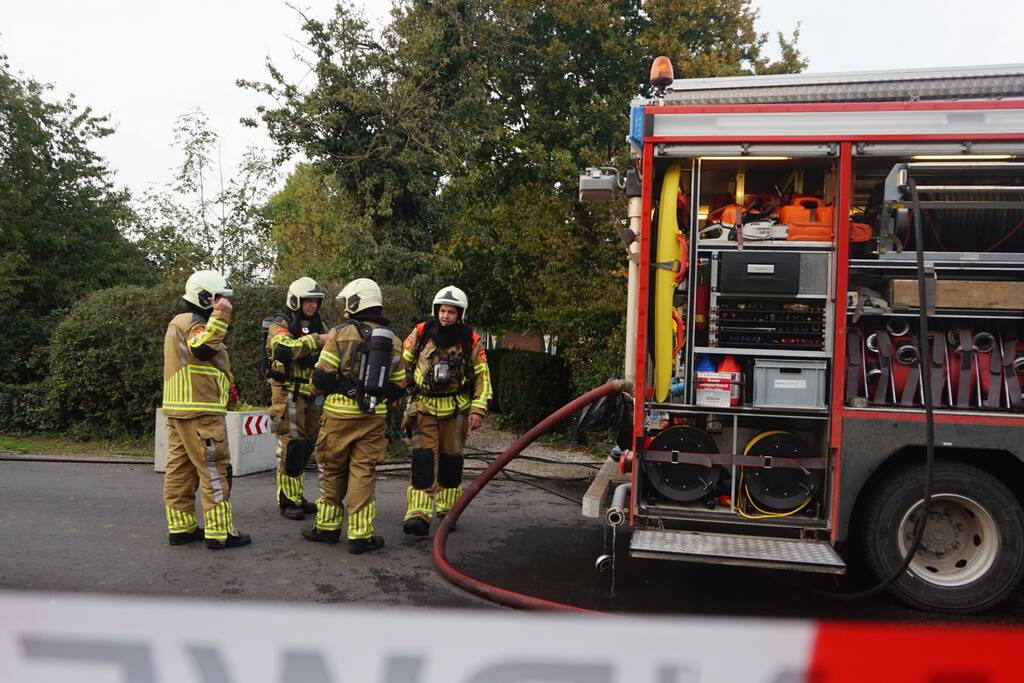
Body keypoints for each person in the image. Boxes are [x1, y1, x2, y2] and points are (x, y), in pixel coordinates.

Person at [303, 278, 406, 554]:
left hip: (338, 414)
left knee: (333, 468)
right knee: (363, 472)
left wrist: (311, 393)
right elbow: (398, 386)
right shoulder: (393, 340)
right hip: (373, 416)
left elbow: (323, 375)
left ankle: (326, 528)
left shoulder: (339, 333)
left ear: (356, 301)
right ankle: (360, 535)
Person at [162, 270, 251, 550]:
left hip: (178, 410)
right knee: (215, 469)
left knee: (180, 470)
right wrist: (221, 316)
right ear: (204, 297)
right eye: (219, 298)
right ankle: (220, 532)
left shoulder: (178, 321)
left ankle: (182, 527)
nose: (223, 302)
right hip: (200, 411)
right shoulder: (196, 323)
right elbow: (202, 349)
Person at [401, 286, 492, 537]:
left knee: (451, 461)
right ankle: (418, 514)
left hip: (456, 410)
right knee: (423, 460)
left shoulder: (470, 339)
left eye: (451, 312)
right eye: (442, 311)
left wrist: (478, 408)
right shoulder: (421, 332)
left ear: (459, 314)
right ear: (435, 311)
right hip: (423, 408)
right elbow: (402, 361)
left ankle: (447, 512)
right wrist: (396, 391)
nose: (445, 316)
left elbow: (483, 376)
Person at [266, 276, 328, 520]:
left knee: (306, 445)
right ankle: (288, 500)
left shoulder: (319, 325)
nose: (313, 305)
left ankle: (297, 495)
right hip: (288, 391)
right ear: (296, 301)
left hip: (311, 393)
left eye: (316, 301)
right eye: (308, 301)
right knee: (292, 445)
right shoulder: (280, 324)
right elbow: (283, 349)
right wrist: (316, 341)